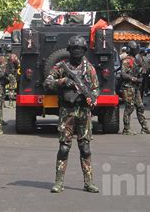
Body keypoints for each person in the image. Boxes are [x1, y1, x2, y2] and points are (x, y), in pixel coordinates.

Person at [44, 36, 100, 193]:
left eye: (80, 49)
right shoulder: (61, 67)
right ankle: (58, 182)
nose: (77, 51)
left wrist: (91, 97)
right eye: (74, 48)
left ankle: (88, 182)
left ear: (84, 50)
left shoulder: (89, 69)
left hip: (83, 111)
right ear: (69, 50)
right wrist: (62, 81)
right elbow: (47, 83)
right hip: (67, 111)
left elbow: (96, 89)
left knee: (85, 148)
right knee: (64, 148)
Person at [120, 41, 150, 135]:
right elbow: (123, 74)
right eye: (135, 49)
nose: (137, 50)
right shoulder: (126, 60)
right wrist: (134, 79)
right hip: (128, 87)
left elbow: (142, 69)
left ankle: (145, 128)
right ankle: (126, 129)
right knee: (129, 108)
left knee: (140, 107)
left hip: (135, 87)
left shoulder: (136, 59)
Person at [3, 44, 20, 109]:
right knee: (11, 90)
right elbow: (18, 65)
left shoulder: (2, 57)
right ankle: (10, 104)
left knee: (2, 88)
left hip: (3, 75)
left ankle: (3, 103)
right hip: (11, 75)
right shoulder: (13, 57)